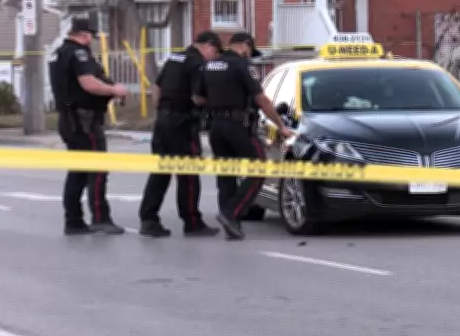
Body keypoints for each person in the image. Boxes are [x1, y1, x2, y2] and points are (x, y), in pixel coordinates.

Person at [197, 32, 294, 240]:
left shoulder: (209, 65)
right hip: (237, 126)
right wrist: (281, 126)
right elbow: (261, 99)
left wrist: (218, 104)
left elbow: (197, 97)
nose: (249, 55)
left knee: (225, 176)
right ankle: (231, 212)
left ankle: (232, 224)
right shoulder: (241, 66)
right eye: (249, 51)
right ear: (243, 46)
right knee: (259, 167)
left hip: (215, 126)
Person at [137, 31, 224, 238]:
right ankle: (192, 222)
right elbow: (196, 96)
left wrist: (160, 112)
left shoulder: (174, 57)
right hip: (182, 124)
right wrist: (213, 103)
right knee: (189, 174)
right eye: (216, 52)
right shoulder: (197, 63)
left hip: (163, 121)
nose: (215, 57)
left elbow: (156, 87)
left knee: (160, 172)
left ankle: (148, 220)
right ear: (208, 46)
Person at [49, 18, 129, 235]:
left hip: (69, 120)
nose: (93, 40)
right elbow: (88, 83)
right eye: (93, 36)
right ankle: (100, 218)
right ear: (85, 34)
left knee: (78, 172)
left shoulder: (59, 52)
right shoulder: (78, 53)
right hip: (85, 121)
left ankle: (73, 220)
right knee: (97, 170)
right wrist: (115, 90)